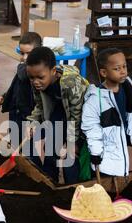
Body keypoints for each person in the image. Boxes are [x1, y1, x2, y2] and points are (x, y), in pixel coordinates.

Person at [25, 46, 89, 184]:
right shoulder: (37, 82)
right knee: (48, 143)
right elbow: (39, 105)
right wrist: (32, 121)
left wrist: (72, 142)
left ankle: (73, 186)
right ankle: (50, 182)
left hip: (81, 115)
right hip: (59, 110)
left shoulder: (70, 83)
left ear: (53, 71)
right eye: (31, 77)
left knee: (69, 154)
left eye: (40, 77)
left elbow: (76, 116)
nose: (35, 82)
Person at [81, 48, 132, 178]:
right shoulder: (95, 99)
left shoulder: (128, 87)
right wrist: (96, 152)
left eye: (124, 66)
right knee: (106, 176)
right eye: (117, 69)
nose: (123, 71)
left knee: (120, 170)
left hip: (119, 143)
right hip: (103, 150)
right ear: (104, 72)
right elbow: (91, 126)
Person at [0, 32, 41, 147]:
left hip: (29, 118)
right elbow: (16, 85)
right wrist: (4, 97)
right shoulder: (24, 67)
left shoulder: (37, 73)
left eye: (29, 53)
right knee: (14, 145)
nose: (25, 57)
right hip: (16, 114)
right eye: (22, 53)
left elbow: (22, 75)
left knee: (29, 151)